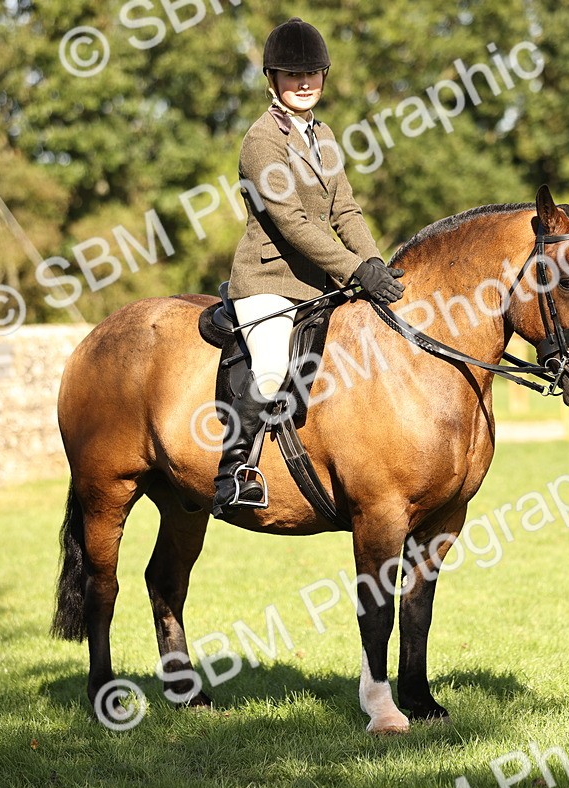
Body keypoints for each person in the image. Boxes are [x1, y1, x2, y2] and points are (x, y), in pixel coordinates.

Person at [212, 17, 405, 519]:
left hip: (320, 284)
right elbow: (293, 224)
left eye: (313, 73)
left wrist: (374, 262)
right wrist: (354, 271)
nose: (304, 84)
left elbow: (346, 211)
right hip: (270, 281)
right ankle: (235, 470)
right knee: (274, 367)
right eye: (292, 75)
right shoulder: (262, 142)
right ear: (272, 79)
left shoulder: (325, 135)